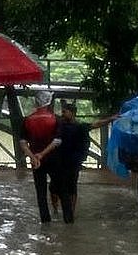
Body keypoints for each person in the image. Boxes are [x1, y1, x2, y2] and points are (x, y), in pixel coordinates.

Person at [47, 100, 93, 224]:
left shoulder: (79, 127)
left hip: (72, 162)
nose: (62, 114)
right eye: (62, 111)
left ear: (72, 113)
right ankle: (56, 209)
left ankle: (70, 210)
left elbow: (95, 125)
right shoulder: (59, 125)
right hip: (60, 161)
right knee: (53, 187)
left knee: (72, 186)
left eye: (64, 112)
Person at [20, 90, 59, 223]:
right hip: (54, 159)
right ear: (49, 102)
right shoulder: (55, 119)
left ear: (36, 102)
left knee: (40, 192)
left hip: (36, 161)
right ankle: (67, 218)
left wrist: (33, 156)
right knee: (61, 188)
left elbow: (23, 143)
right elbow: (57, 141)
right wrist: (43, 154)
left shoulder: (28, 120)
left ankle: (45, 221)